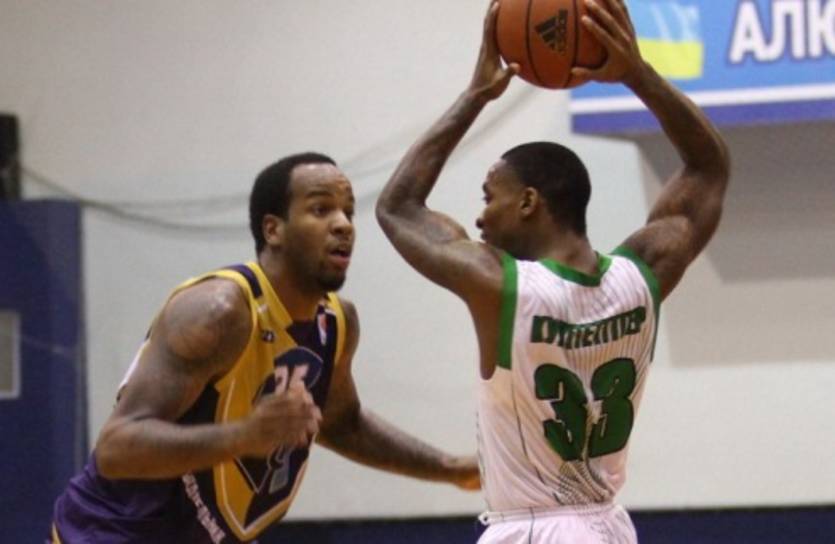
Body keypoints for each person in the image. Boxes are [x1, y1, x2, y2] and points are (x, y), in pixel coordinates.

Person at [376, 0, 730, 542]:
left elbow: (398, 207)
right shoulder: (642, 277)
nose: (480, 217)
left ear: (528, 202)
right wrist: (637, 74)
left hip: (532, 530)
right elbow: (708, 168)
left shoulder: (501, 285)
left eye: (489, 197)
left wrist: (476, 95)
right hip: (607, 526)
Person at [51, 152, 480, 543]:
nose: (344, 224)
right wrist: (243, 436)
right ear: (273, 229)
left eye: (348, 212)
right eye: (321, 209)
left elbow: (342, 424)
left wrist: (450, 468)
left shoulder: (336, 322)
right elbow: (117, 449)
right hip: (110, 534)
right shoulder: (217, 312)